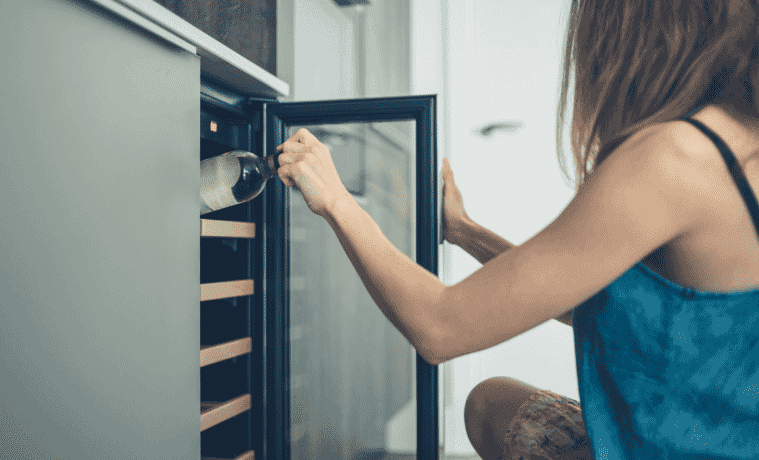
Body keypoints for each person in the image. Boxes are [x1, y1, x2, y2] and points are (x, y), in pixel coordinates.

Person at [273, 0, 759, 458]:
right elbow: (594, 301)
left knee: (492, 403)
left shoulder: (675, 156)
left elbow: (439, 328)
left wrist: (336, 200)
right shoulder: (739, 146)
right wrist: (463, 230)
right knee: (491, 403)